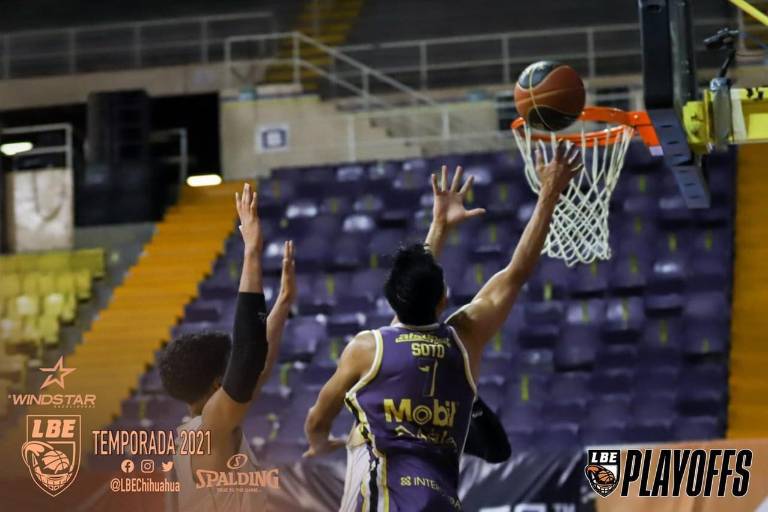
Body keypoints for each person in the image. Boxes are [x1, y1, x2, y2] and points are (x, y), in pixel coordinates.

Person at [304, 142, 581, 511]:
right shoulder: (464, 338)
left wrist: (320, 442)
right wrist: (549, 194)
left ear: (391, 299)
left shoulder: (367, 349)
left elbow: (317, 418)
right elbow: (516, 273)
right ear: (444, 299)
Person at [159, 183, 296, 512]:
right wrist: (251, 252)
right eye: (229, 365)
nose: (236, 369)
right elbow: (248, 358)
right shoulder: (212, 429)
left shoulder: (195, 432)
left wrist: (283, 303)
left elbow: (257, 367)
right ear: (217, 384)